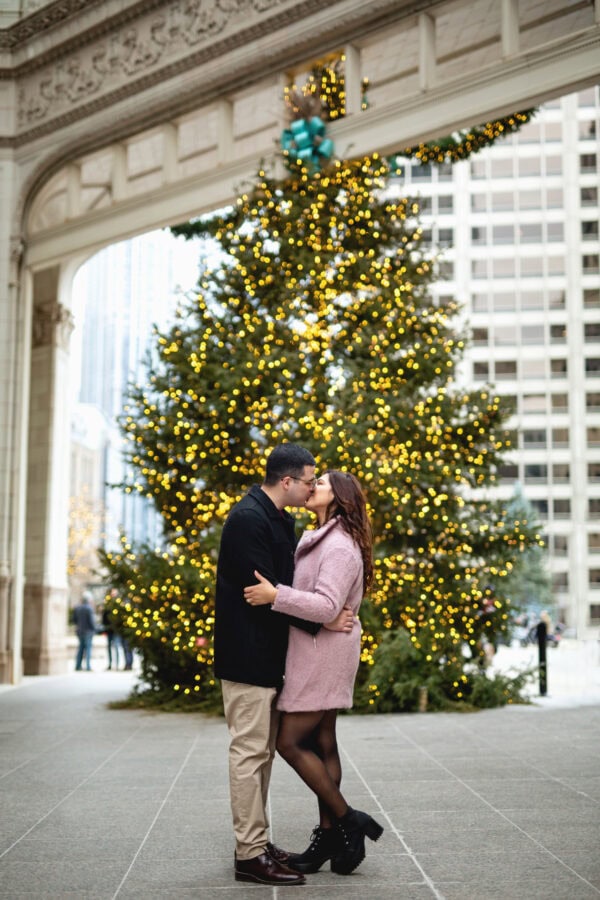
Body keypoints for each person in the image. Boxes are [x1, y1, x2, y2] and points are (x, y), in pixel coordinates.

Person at [214, 443, 353, 887]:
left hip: (273, 657)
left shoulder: (281, 518)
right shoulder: (247, 519)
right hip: (247, 657)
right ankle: (249, 855)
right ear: (287, 481)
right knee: (250, 753)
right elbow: (266, 593)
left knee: (262, 755)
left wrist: (314, 611)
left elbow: (281, 591)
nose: (313, 486)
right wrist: (327, 617)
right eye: (310, 479)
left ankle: (257, 841)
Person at [244, 470, 384, 876]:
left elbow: (325, 607)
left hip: (325, 654)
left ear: (337, 498)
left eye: (319, 484)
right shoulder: (320, 538)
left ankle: (347, 821)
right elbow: (325, 607)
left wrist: (275, 596)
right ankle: (328, 837)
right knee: (323, 741)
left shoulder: (339, 546)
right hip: (318, 648)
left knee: (289, 742)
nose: (311, 488)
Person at [72, 591, 96, 671]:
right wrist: (94, 629)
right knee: (88, 649)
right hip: (88, 631)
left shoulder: (77, 608)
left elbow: (74, 620)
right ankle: (88, 666)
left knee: (80, 649)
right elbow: (91, 621)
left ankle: (78, 665)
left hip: (80, 631)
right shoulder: (89, 608)